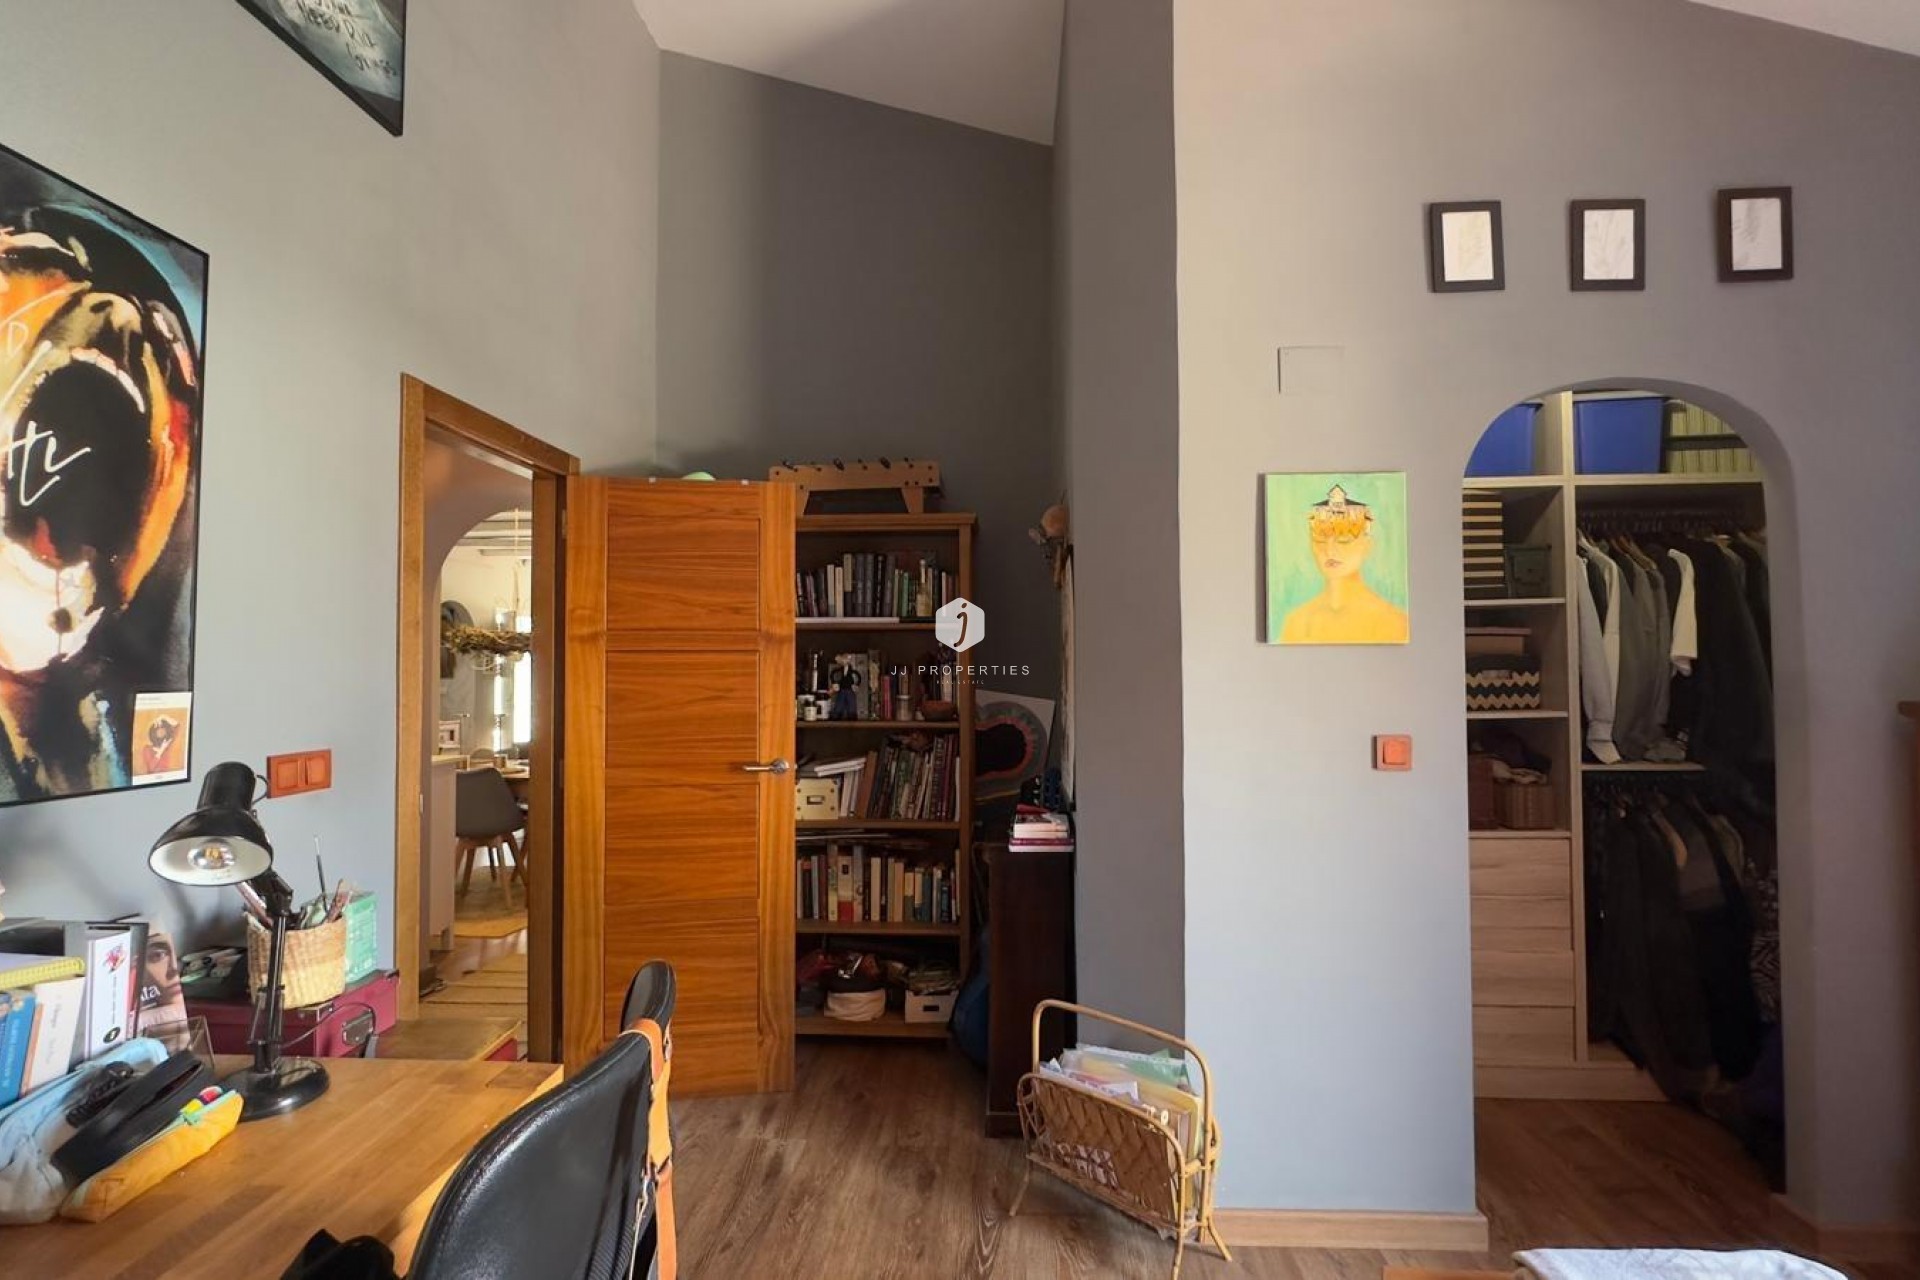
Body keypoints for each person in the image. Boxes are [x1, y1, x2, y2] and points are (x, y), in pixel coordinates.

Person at [1280, 485, 1410, 644]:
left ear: (1367, 545)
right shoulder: (1297, 623)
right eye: (1320, 539)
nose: (1329, 551)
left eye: (1343, 540)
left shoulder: (1394, 623)